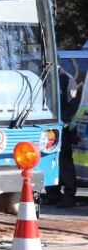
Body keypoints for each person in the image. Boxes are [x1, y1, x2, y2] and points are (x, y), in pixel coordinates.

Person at [46, 69, 83, 208]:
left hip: (63, 129)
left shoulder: (67, 80)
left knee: (64, 162)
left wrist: (61, 122)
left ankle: (69, 195)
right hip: (48, 127)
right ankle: (52, 193)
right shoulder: (46, 78)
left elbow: (73, 104)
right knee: (49, 160)